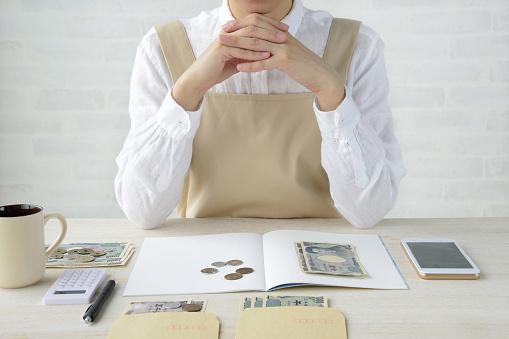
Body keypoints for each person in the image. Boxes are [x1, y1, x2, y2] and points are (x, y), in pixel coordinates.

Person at [115, 0, 406, 229]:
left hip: (325, 253)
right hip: (206, 257)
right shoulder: (162, 47)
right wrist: (187, 91)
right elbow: (143, 212)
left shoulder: (358, 45)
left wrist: (331, 90)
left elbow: (368, 211)